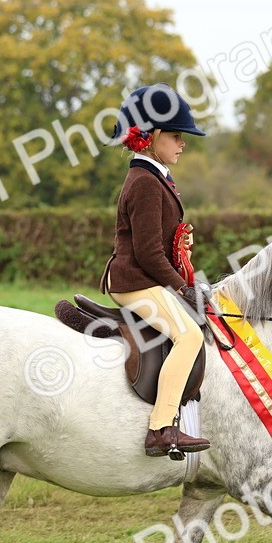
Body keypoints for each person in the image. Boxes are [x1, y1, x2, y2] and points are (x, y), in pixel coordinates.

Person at [99, 84, 213, 458]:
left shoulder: (154, 176)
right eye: (177, 136)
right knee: (189, 337)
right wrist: (183, 288)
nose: (183, 144)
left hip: (144, 278)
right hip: (136, 282)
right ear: (151, 138)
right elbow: (148, 255)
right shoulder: (146, 183)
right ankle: (161, 429)